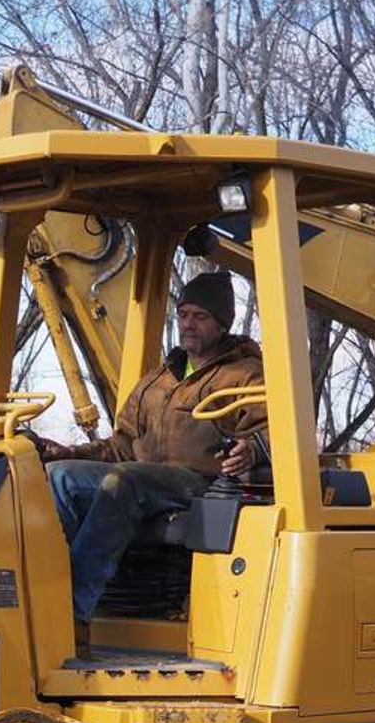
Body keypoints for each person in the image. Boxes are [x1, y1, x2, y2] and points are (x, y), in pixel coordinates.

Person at [38, 270, 267, 632]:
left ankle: (72, 615)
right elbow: (123, 444)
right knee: (61, 476)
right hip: (144, 477)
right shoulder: (157, 380)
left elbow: (271, 432)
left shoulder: (246, 374)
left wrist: (252, 449)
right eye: (184, 313)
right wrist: (68, 451)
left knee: (125, 479)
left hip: (201, 481)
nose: (188, 323)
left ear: (222, 323)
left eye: (200, 316)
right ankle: (47, 595)